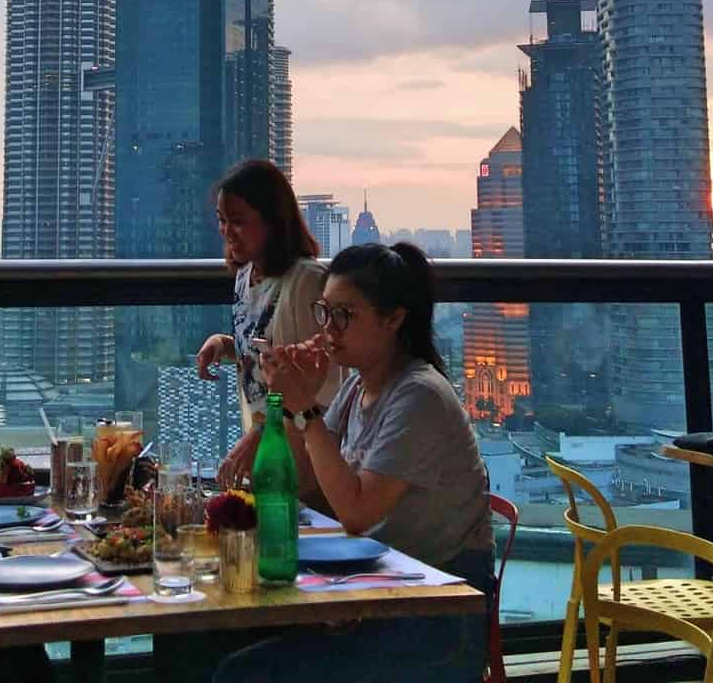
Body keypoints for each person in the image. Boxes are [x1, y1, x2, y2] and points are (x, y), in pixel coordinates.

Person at [212, 242, 494, 683]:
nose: (328, 329)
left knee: (242, 674)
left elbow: (356, 511)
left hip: (439, 619)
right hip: (377, 592)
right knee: (211, 644)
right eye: (324, 312)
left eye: (344, 315)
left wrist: (306, 411)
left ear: (393, 319)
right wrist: (287, 402)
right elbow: (306, 488)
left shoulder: (419, 397)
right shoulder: (355, 389)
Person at [195, 160, 342, 486]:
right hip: (266, 449)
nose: (226, 231)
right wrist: (225, 345)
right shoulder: (246, 275)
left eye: (238, 221)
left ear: (274, 221)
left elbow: (320, 382)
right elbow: (269, 354)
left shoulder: (305, 282)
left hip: (303, 456)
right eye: (222, 220)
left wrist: (263, 431)